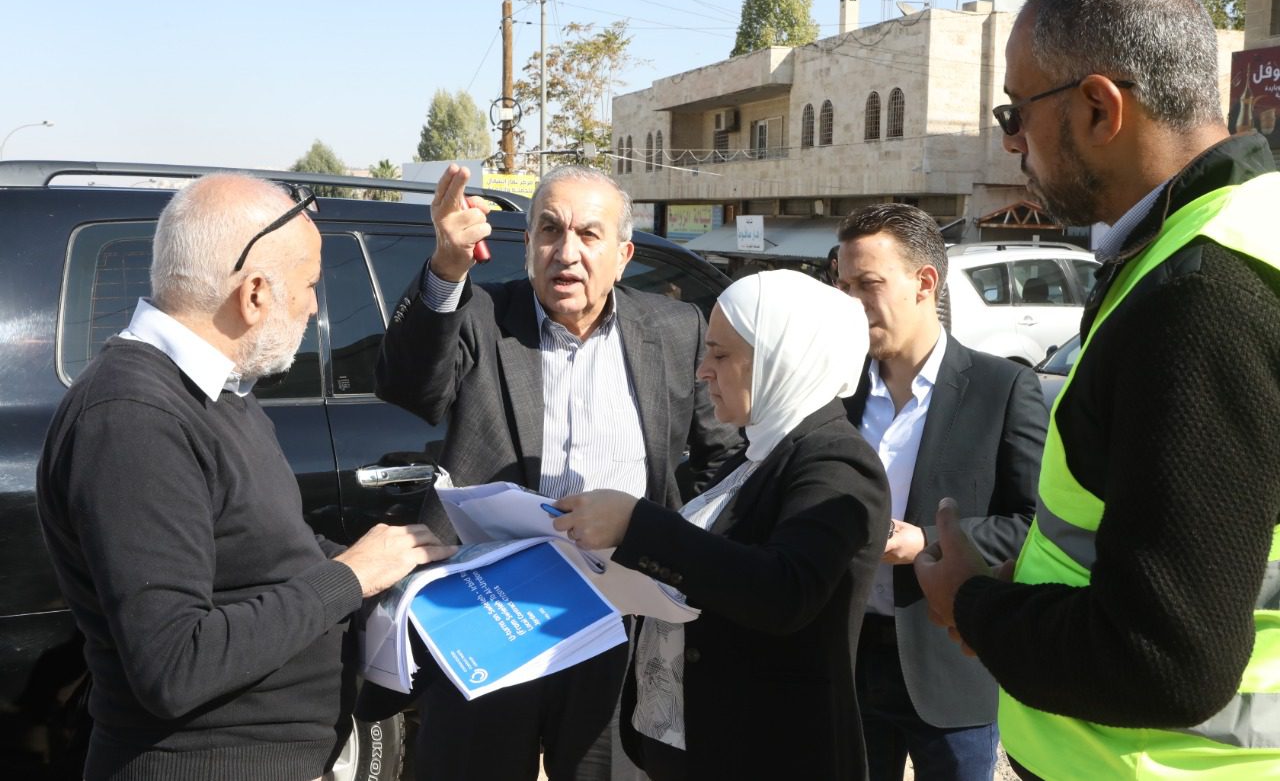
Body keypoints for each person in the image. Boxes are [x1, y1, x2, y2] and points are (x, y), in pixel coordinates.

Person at [913, 0, 1280, 781]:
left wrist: (972, 602)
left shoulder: (1199, 294)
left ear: (1099, 109)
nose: (1012, 143)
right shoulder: (1238, 228)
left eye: (1015, 113)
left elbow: (1165, 660)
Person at [36, 174, 455, 780]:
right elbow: (174, 665)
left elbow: (265, 554)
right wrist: (351, 576)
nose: (314, 307)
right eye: (309, 286)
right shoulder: (133, 418)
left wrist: (400, 573)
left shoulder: (218, 393)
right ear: (254, 293)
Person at [375, 163, 742, 780]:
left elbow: (724, 457)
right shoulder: (483, 314)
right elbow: (409, 387)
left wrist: (669, 548)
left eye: (589, 234)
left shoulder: (676, 329)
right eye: (549, 230)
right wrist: (446, 269)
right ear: (527, 246)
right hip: (493, 615)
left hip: (617, 617)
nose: (566, 252)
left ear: (623, 255)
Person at [553, 269, 891, 780]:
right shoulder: (759, 451)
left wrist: (637, 523)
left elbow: (784, 591)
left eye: (721, 355)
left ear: (781, 357)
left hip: (770, 754)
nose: (703, 372)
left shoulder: (836, 462)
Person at [835, 203, 1046, 781]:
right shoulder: (836, 390)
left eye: (868, 284)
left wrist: (924, 541)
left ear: (925, 282)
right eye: (844, 285)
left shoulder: (1003, 388)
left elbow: (1034, 523)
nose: (851, 302)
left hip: (950, 663)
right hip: (846, 659)